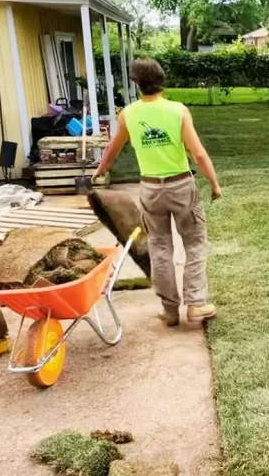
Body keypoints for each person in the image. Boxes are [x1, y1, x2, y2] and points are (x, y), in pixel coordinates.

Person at [94, 58, 221, 327]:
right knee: (194, 244)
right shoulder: (178, 110)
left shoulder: (128, 114)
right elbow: (197, 153)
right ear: (162, 79)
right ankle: (196, 304)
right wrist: (214, 183)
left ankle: (170, 311)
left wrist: (100, 170)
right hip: (181, 186)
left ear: (136, 83)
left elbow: (113, 148)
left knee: (160, 247)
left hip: (150, 189)